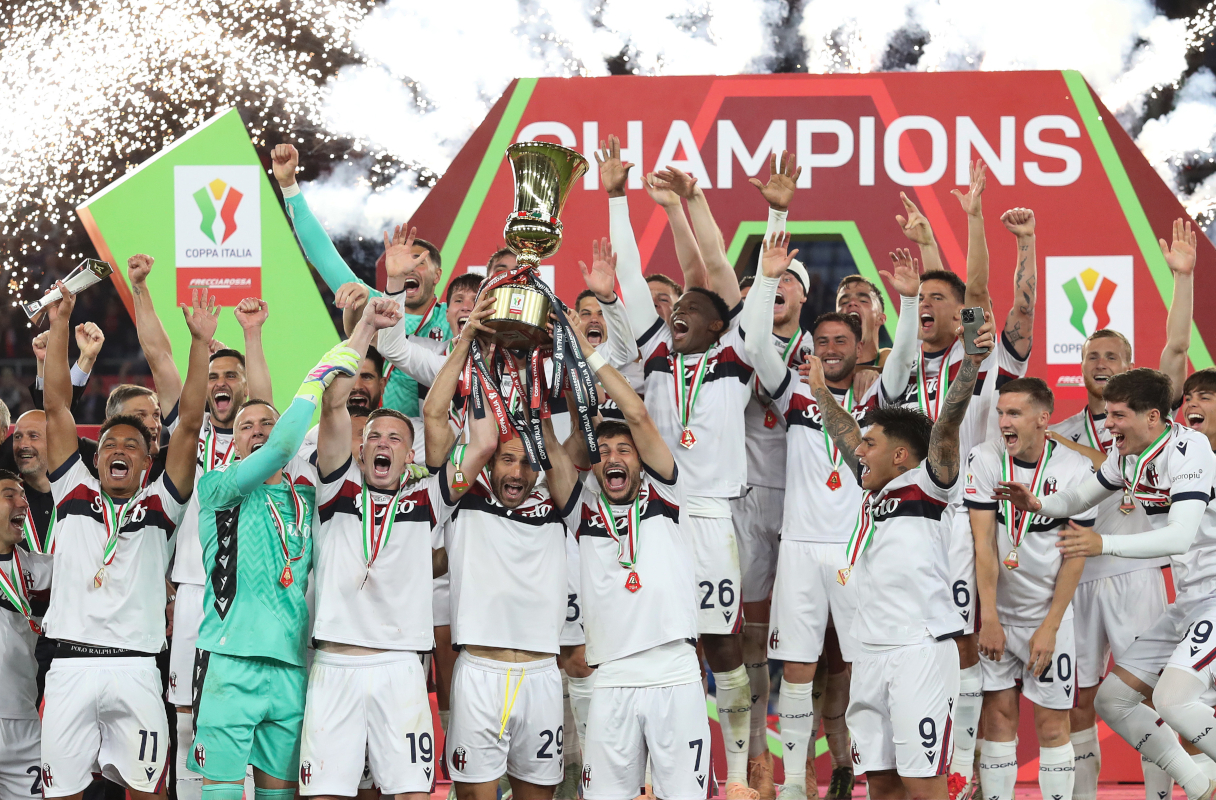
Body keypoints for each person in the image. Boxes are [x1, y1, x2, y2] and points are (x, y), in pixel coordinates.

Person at [599, 134, 760, 799]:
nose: (678, 314)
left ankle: (739, 776)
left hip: (713, 516)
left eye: (693, 310)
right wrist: (616, 197)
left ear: (721, 326)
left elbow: (716, 265)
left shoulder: (738, 356)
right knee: (658, 638)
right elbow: (631, 280)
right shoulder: (657, 353)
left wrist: (691, 204)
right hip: (657, 514)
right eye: (676, 310)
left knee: (722, 646)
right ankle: (650, 775)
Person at [745, 236, 921, 800]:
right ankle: (796, 785)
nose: (830, 349)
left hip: (855, 550)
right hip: (799, 546)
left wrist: (910, 301)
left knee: (864, 666)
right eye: (821, 342)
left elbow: (906, 357)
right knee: (796, 671)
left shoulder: (877, 401)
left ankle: (875, 777)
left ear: (859, 345)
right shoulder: (793, 392)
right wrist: (767, 280)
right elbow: (755, 343)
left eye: (841, 340)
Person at [882, 165, 1037, 791]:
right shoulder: (902, 365)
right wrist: (922, 262)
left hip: (965, 519)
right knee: (917, 641)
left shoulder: (981, 355)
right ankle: (926, 759)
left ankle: (962, 771)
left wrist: (972, 218)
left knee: (965, 644)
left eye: (935, 300)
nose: (926, 305)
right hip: (907, 521)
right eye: (920, 300)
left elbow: (973, 288)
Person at [995, 368, 1216, 800]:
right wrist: (1039, 503)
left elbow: (1179, 537)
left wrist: (1103, 544)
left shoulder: (1191, 450)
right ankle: (1201, 788)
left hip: (1215, 597)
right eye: (1108, 414)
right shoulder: (1127, 454)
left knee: (1173, 700)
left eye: (1117, 415)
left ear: (1152, 417)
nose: (1108, 424)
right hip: (1191, 601)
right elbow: (1081, 496)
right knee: (1112, 700)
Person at [40, 282, 213, 800]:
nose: (119, 449)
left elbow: (190, 425)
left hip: (136, 667)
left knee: (148, 793)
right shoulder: (72, 488)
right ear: (95, 459)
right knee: (61, 794)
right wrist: (59, 322)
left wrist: (200, 344)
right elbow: (56, 408)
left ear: (147, 459)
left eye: (132, 446)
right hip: (69, 666)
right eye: (110, 444)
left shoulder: (163, 502)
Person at [814, 306, 994, 800]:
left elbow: (947, 426)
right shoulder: (874, 492)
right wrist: (821, 392)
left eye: (870, 444)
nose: (859, 452)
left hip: (919, 650)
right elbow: (844, 434)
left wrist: (971, 364)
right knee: (882, 785)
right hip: (869, 652)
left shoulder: (928, 486)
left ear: (899, 455)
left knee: (922, 783)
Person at [1048, 218, 1198, 800]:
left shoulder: (1153, 419)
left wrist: (1181, 279)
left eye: (1113, 355)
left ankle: (1163, 794)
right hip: (1079, 577)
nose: (1102, 362)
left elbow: (1178, 347)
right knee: (1081, 697)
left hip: (1138, 574)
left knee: (1145, 695)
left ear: (1131, 363)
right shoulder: (1061, 431)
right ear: (1081, 364)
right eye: (1093, 355)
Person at [127, 252, 275, 800]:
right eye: (213, 375)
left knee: (249, 717)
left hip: (252, 596)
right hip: (193, 590)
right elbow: (158, 354)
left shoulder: (258, 437)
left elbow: (265, 400)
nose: (221, 382)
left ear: (244, 384)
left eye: (231, 375)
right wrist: (141, 288)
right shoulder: (189, 432)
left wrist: (251, 333)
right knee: (188, 719)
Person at [423, 301, 580, 800]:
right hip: (479, 672)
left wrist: (552, 356)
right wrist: (467, 342)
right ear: (490, 464)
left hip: (542, 673)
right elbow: (435, 415)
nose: (517, 471)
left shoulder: (558, 500)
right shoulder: (463, 494)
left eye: (527, 463)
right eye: (508, 461)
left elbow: (562, 439)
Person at [553, 305, 709, 799]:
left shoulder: (668, 493)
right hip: (612, 679)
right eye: (604, 453)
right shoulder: (583, 511)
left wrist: (588, 351)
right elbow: (554, 452)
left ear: (641, 459)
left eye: (625, 450)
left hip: (675, 673)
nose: (614, 458)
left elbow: (637, 414)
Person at [298, 296, 450, 799]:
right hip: (334, 665)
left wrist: (470, 341)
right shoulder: (334, 488)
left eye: (395, 438)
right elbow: (332, 404)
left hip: (401, 666)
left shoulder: (427, 497)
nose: (383, 442)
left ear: (410, 456)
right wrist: (363, 327)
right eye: (375, 437)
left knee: (411, 793)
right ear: (360, 451)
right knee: (324, 794)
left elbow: (481, 441)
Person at [966, 377, 1098, 800]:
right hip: (999, 618)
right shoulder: (985, 458)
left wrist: (1051, 626)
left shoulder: (1076, 469)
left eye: (1014, 413)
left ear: (1043, 419)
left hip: (1049, 619)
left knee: (1053, 725)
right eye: (1001, 413)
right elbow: (984, 545)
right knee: (997, 719)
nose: (1004, 421)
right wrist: (989, 618)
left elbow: (1075, 555)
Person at [272, 143, 451, 420]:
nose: (409, 266)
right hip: (372, 434)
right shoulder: (373, 303)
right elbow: (322, 255)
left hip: (437, 437)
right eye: (404, 259)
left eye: (419, 261)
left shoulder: (452, 319)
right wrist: (288, 186)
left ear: (437, 275)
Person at [0, 469, 53, 799]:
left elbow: (99, 573)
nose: (23, 502)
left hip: (23, 725)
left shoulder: (42, 570)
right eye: (9, 495)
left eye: (23, 495)